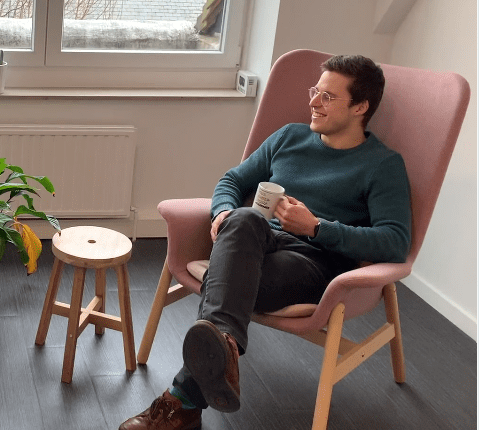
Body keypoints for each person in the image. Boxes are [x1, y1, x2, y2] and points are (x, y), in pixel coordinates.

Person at [119, 55, 412, 430]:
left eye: (327, 97)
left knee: (228, 281)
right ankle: (221, 350)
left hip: (315, 263)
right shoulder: (290, 137)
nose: (313, 102)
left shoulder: (382, 165)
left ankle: (183, 399)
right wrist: (222, 213)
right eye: (315, 91)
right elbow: (233, 181)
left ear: (360, 107)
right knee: (244, 218)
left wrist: (316, 228)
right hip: (254, 244)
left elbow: (394, 242)